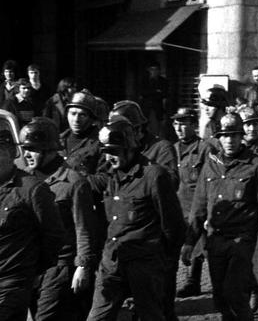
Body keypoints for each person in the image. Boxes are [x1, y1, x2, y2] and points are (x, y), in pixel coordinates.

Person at [88, 117, 185, 320]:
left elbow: (173, 225)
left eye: (113, 152)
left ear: (129, 148)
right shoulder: (111, 177)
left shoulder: (154, 176)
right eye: (106, 153)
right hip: (112, 261)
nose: (108, 159)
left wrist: (161, 261)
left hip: (144, 265)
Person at [188, 112, 258, 321]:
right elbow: (199, 205)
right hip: (215, 239)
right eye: (225, 136)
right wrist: (189, 243)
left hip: (242, 240)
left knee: (234, 291)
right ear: (218, 138)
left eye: (234, 135)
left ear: (241, 136)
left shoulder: (257, 164)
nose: (229, 140)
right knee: (220, 298)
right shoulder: (211, 164)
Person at [21, 117, 97, 321]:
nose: (27, 154)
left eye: (33, 149)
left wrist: (83, 266)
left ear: (50, 150)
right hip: (30, 265)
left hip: (59, 266)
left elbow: (84, 227)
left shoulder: (73, 183)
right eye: (25, 148)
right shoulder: (24, 181)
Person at [0, 125, 64, 318]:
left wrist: (33, 271)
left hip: (13, 283)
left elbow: (54, 235)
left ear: (12, 152)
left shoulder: (32, 189)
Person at [172, 106, 208, 300]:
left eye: (183, 124)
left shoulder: (204, 148)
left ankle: (194, 283)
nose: (178, 128)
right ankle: (191, 282)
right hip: (179, 207)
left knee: (205, 247)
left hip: (199, 206)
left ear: (194, 125)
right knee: (187, 246)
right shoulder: (172, 148)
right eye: (176, 124)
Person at [62, 92, 102, 175]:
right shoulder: (58, 140)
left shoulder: (99, 144)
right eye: (73, 114)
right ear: (67, 114)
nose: (76, 119)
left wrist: (76, 181)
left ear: (91, 118)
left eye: (82, 115)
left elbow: (103, 179)